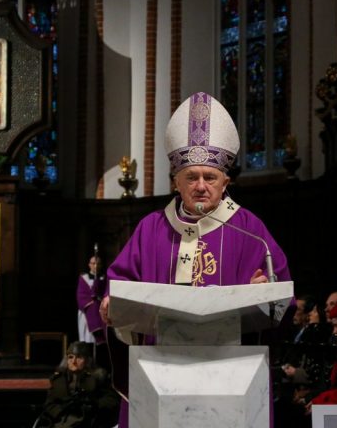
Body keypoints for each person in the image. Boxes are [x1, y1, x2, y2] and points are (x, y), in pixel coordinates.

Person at [99, 91, 292, 427]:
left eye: (210, 177)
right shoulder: (151, 229)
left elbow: (282, 298)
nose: (201, 185)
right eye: (191, 177)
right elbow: (120, 282)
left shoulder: (250, 230)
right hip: (160, 370)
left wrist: (264, 293)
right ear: (176, 182)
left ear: (225, 182)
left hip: (230, 373)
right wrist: (110, 302)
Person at [33, 341, 120, 428]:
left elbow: (112, 400)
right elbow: (49, 404)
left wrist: (93, 404)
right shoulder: (58, 379)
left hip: (88, 422)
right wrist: (62, 411)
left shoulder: (97, 378)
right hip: (61, 421)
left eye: (79, 357)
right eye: (70, 357)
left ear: (87, 360)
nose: (73, 361)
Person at [77, 254, 106, 346]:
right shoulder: (83, 278)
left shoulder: (104, 278)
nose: (95, 266)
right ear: (89, 265)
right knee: (88, 340)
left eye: (98, 264)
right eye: (93, 263)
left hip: (100, 309)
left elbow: (105, 293)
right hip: (87, 311)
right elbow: (81, 295)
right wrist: (92, 301)